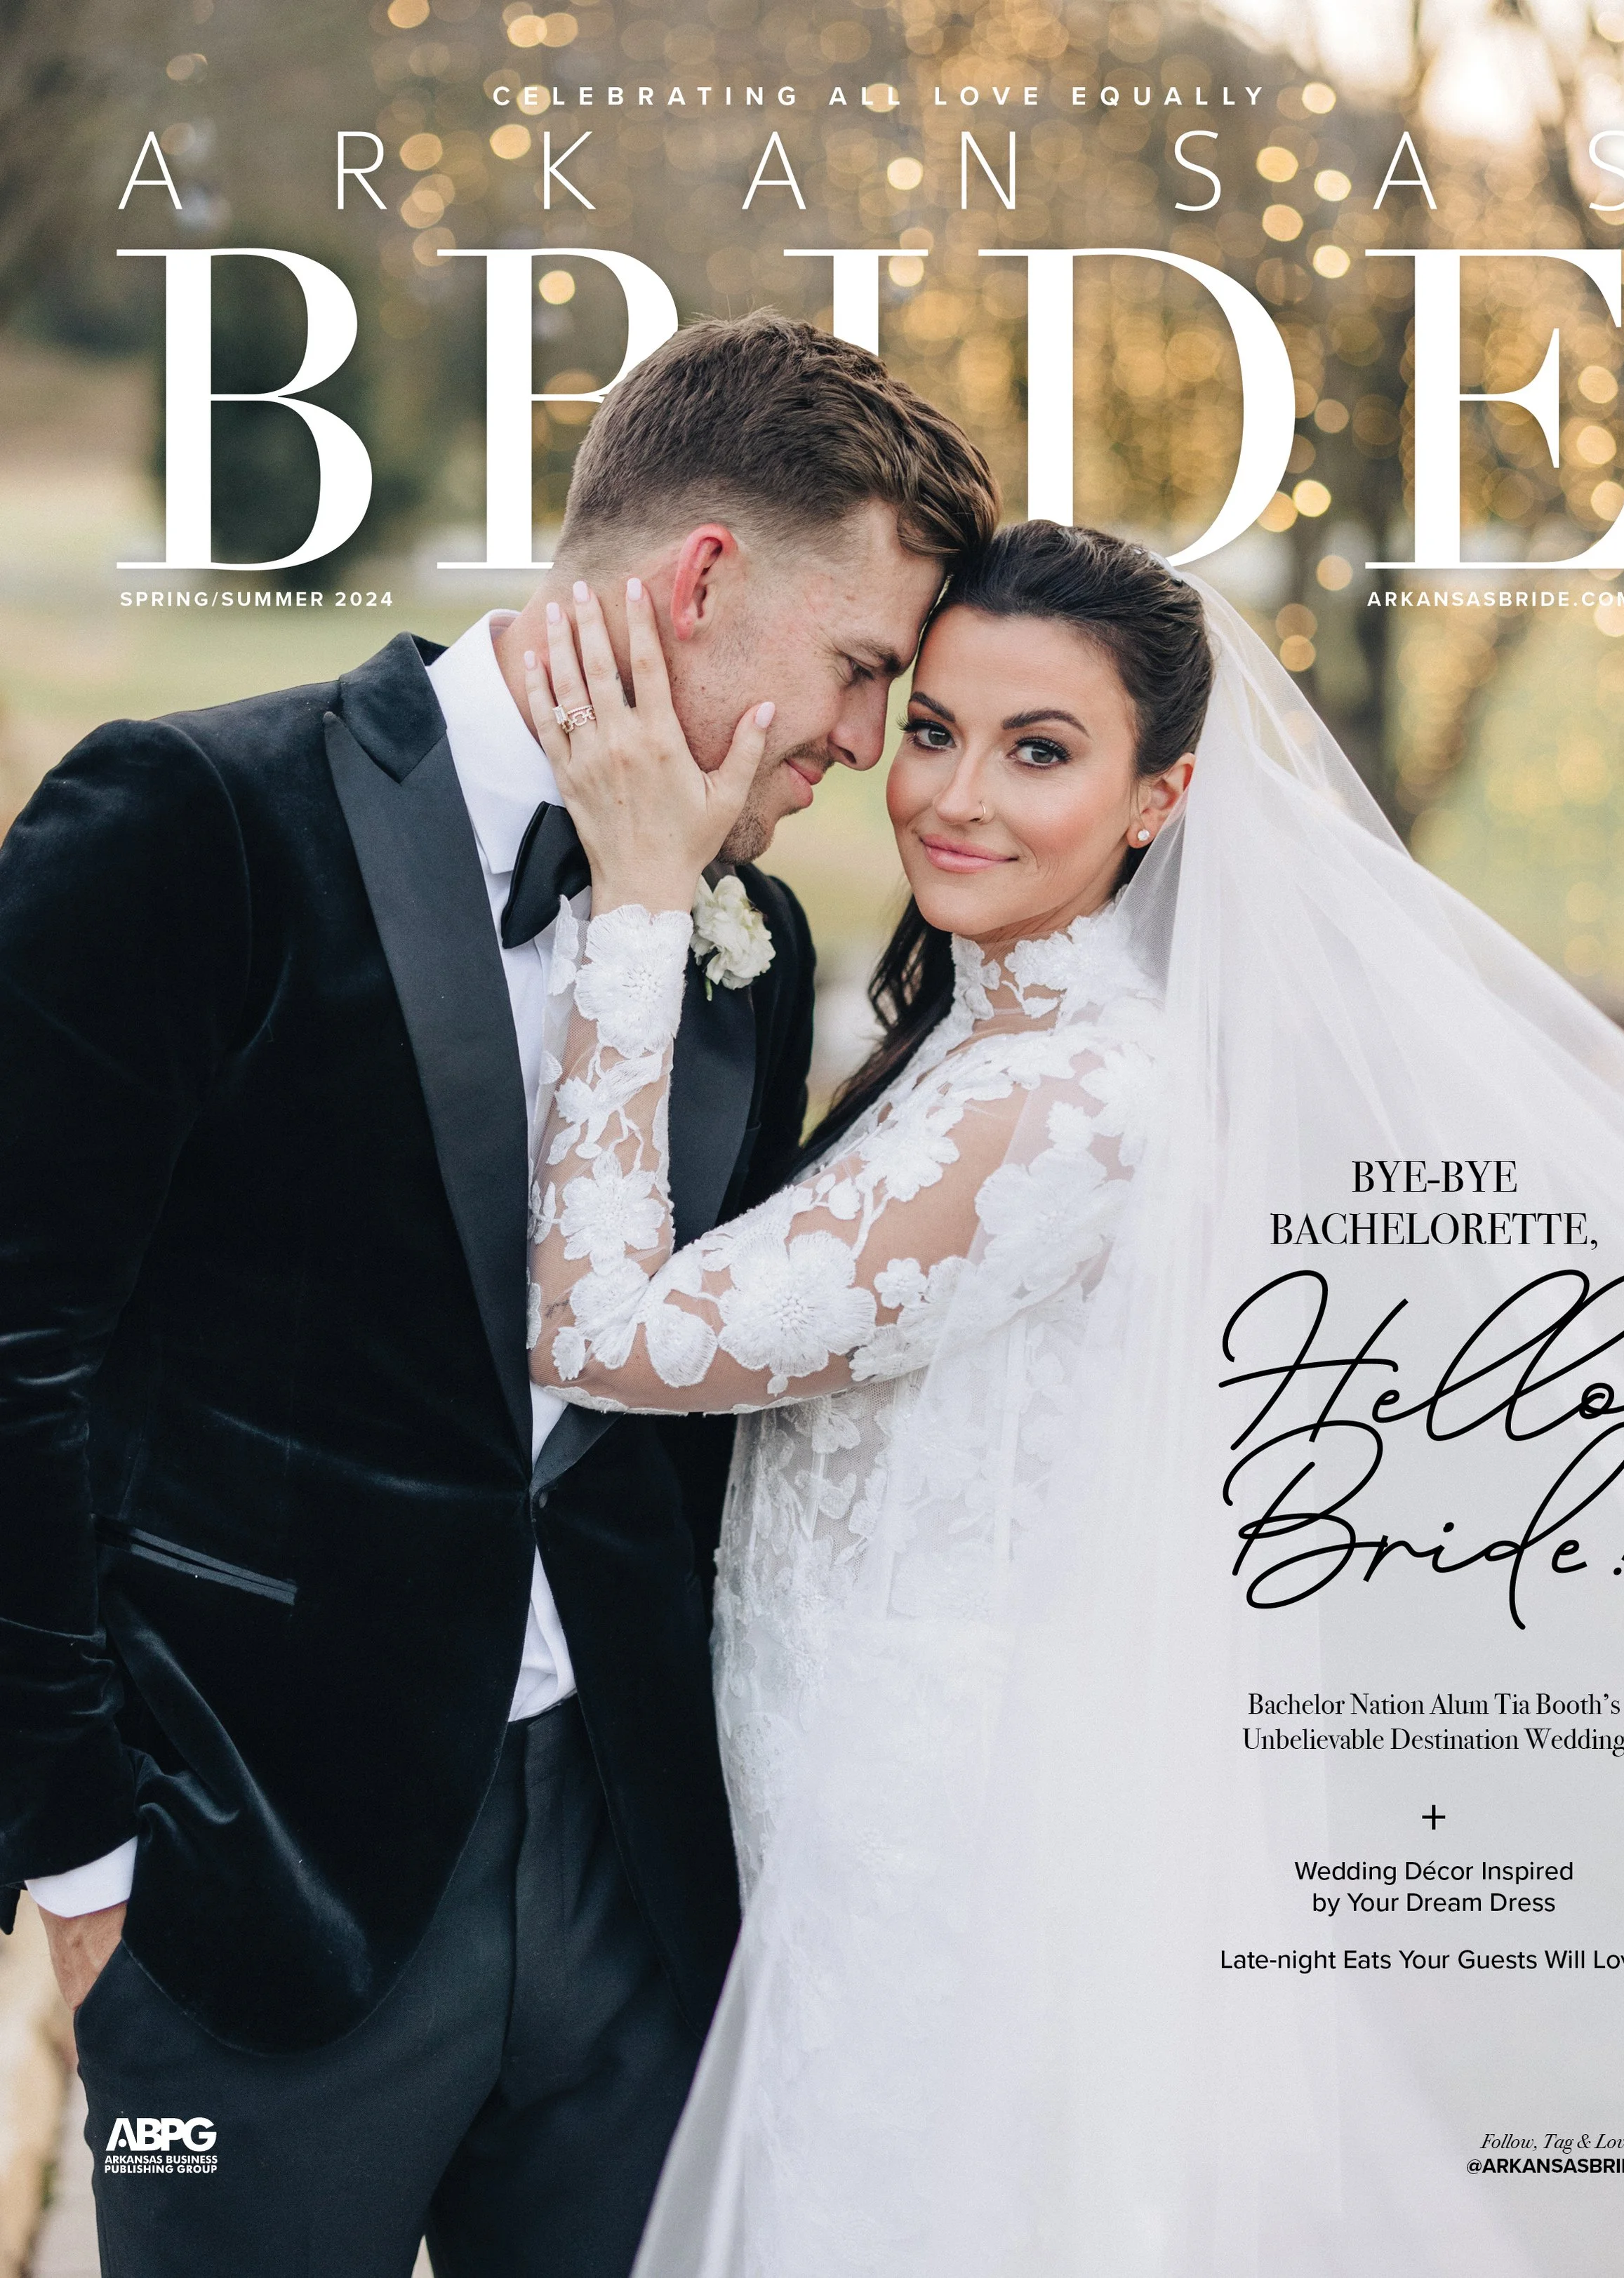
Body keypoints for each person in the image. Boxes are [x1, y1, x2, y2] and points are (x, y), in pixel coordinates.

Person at [524, 523, 1624, 2278]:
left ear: (1157, 798)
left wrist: (645, 900)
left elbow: (602, 1336)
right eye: (931, 729)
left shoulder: (1078, 1102)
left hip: (941, 1834)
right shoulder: (982, 1035)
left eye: (1039, 752)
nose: (953, 796)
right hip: (840, 1786)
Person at [0, 311, 999, 2278]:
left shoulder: (748, 935)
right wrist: (84, 1855)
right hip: (249, 1890)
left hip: (633, 1897)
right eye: (863, 668)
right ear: (699, 581)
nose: (864, 743)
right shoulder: (193, 817)